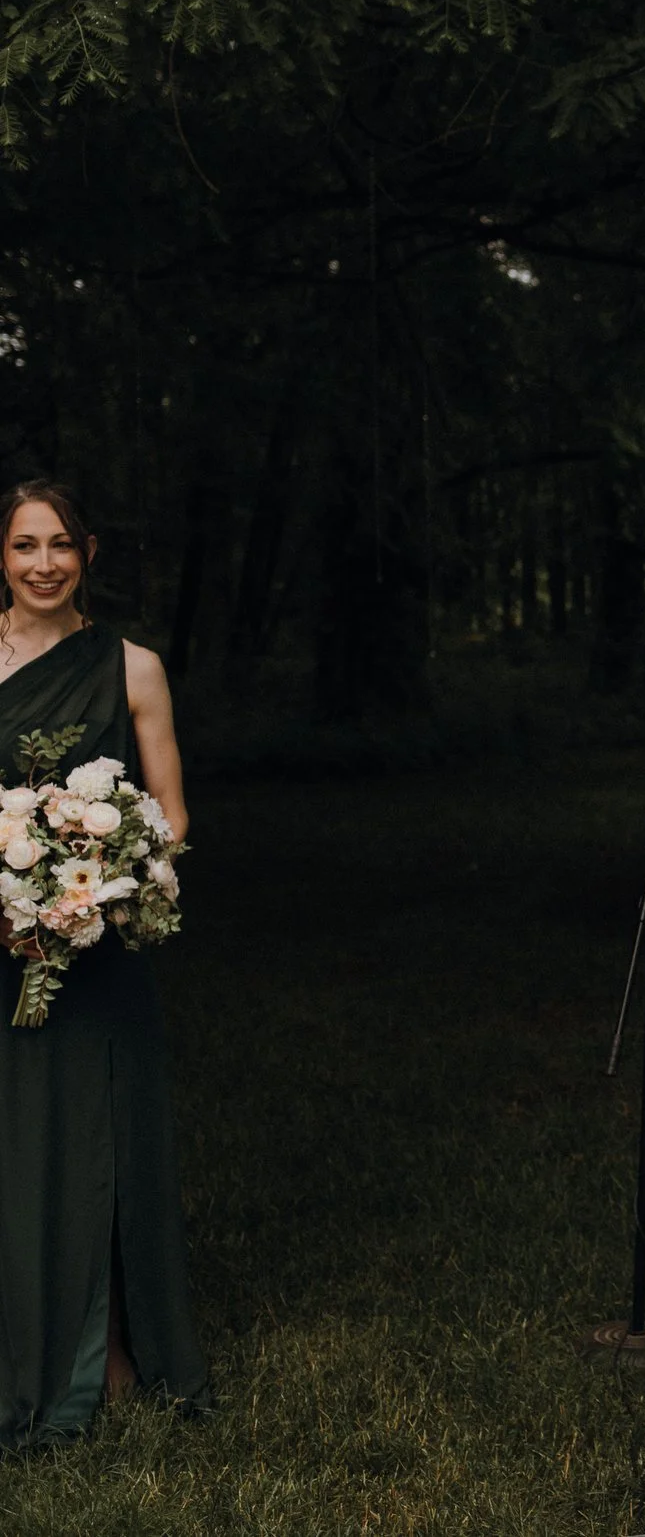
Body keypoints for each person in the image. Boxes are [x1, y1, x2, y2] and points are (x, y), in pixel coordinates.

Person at [0, 480, 211, 1449]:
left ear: (88, 550)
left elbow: (172, 815)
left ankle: (111, 1351)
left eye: (60, 545)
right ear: (1, 557)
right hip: (2, 952)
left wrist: (107, 873)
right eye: (22, 545)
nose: (43, 563)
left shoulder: (134, 666)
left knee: (100, 1148)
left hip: (97, 954)